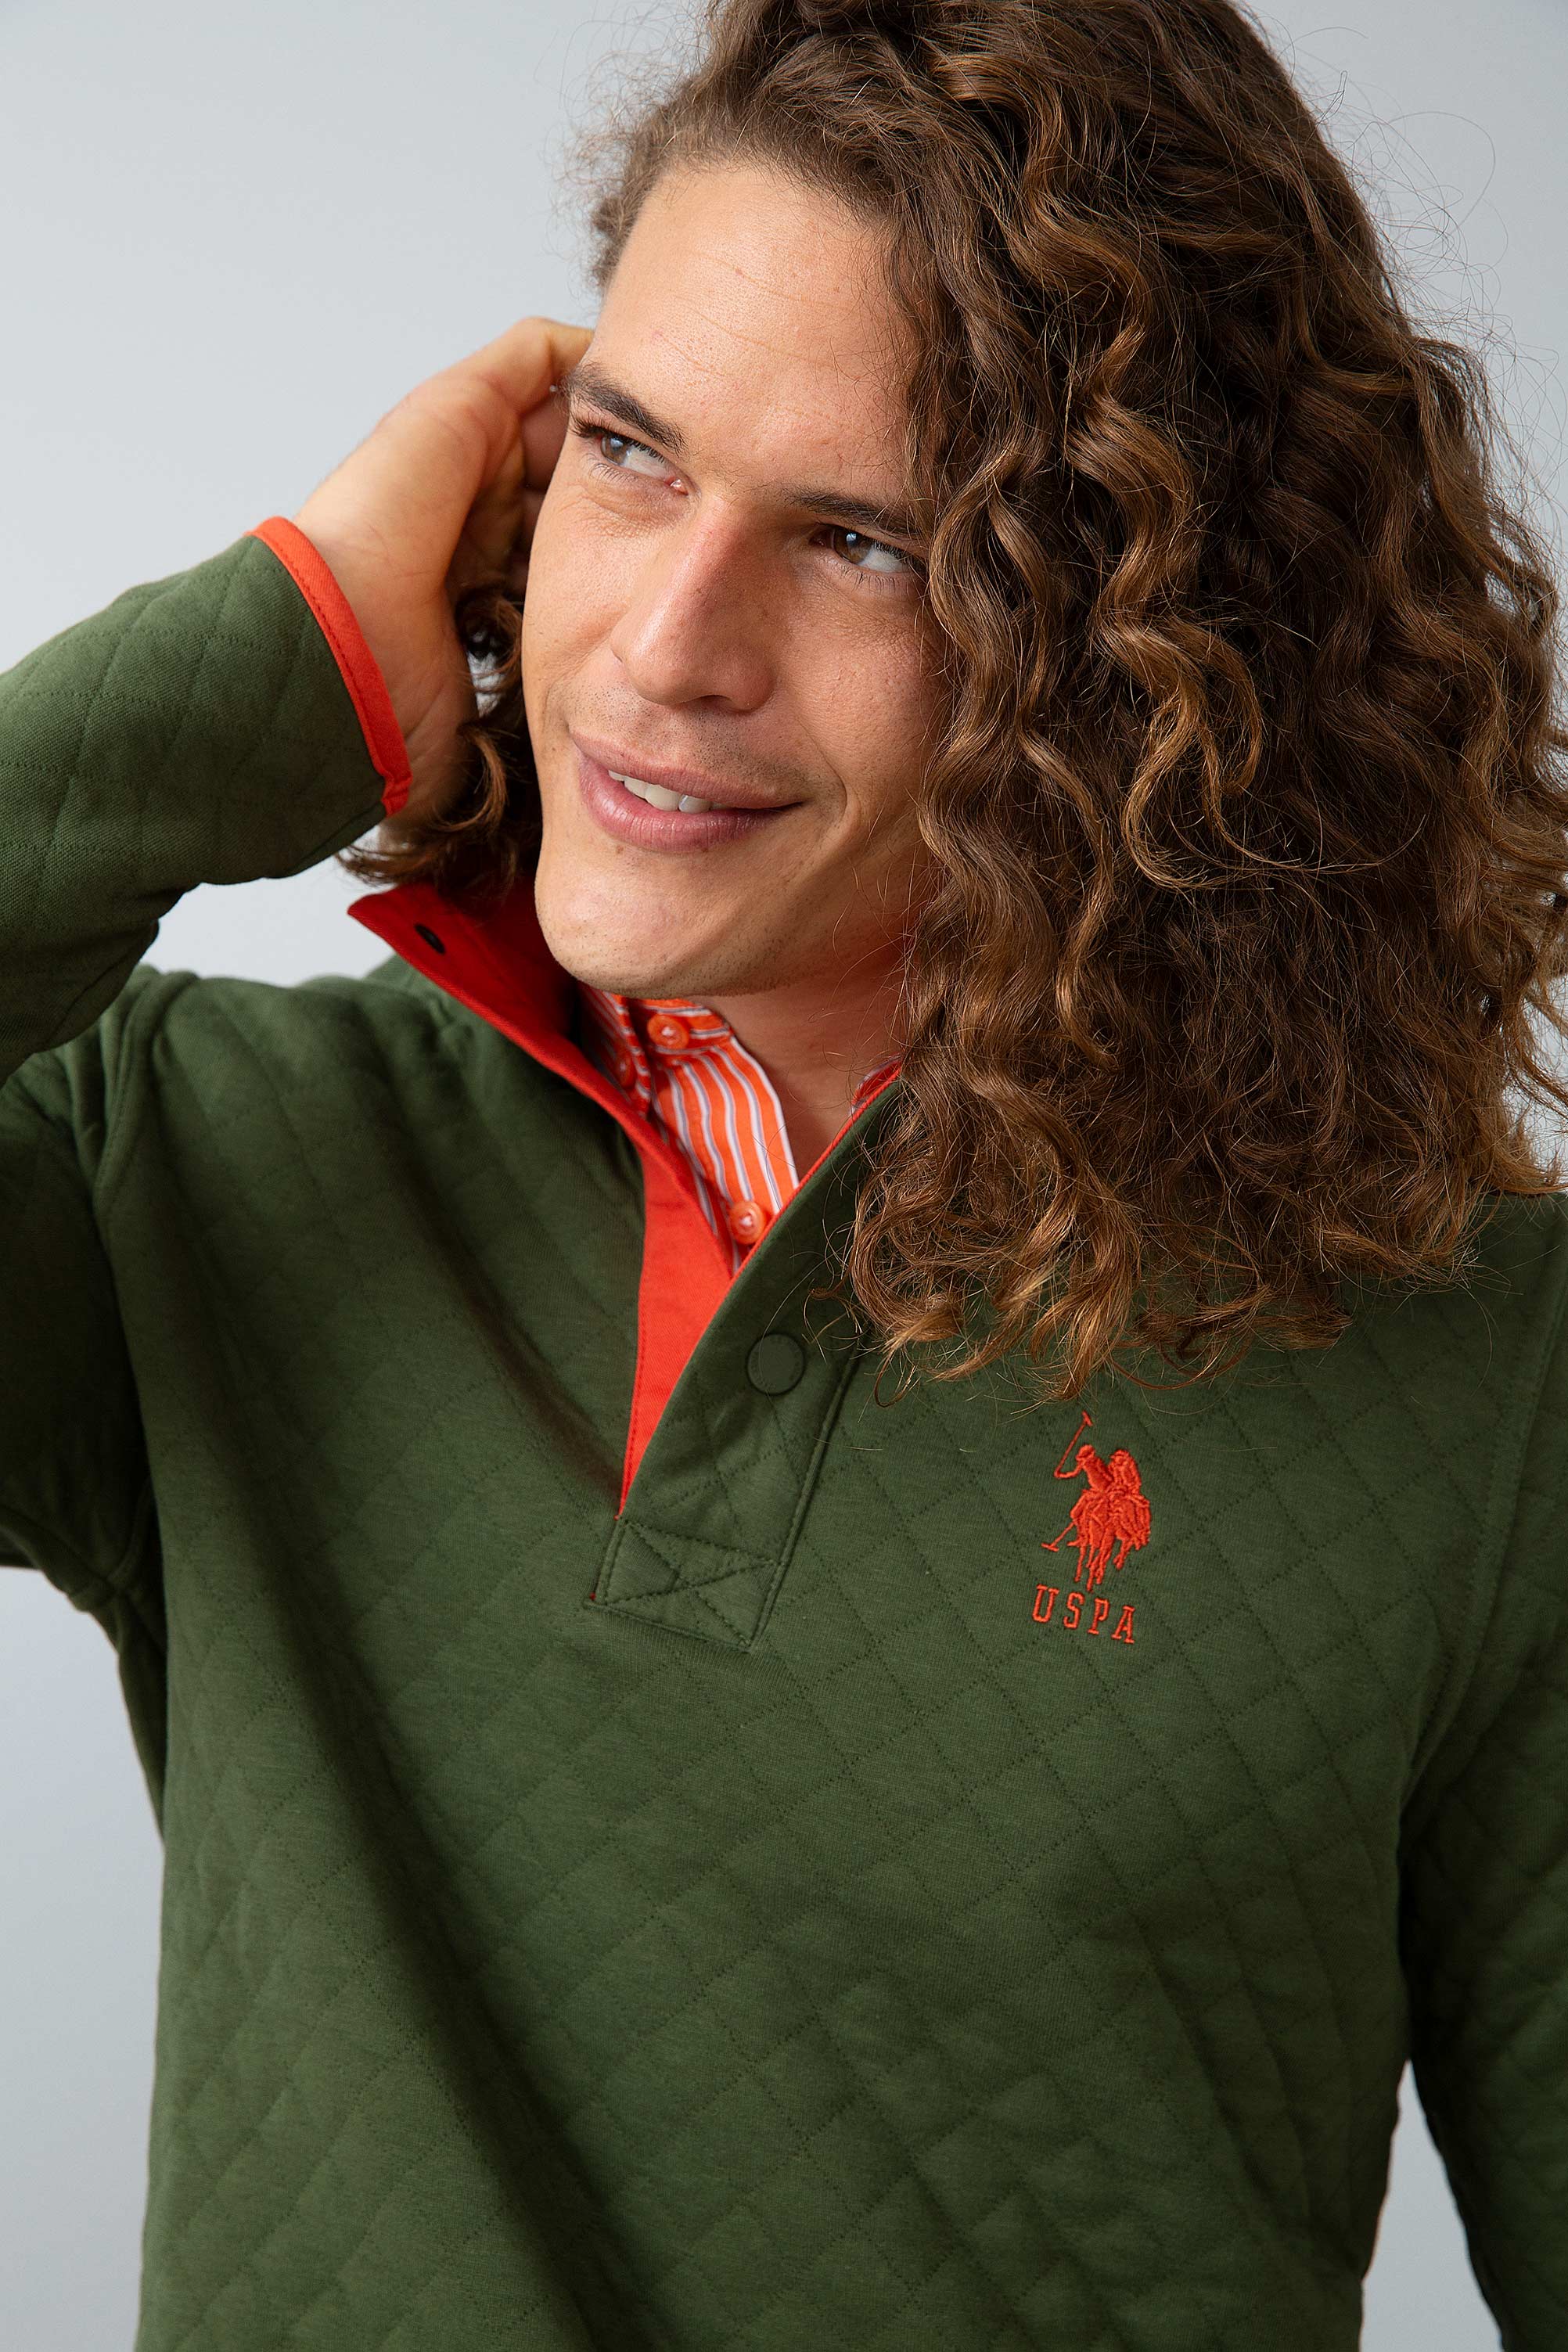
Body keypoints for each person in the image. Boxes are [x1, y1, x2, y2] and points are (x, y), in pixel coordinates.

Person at [4, 0, 1566, 2343]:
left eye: (861, 543)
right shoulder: (207, 1172)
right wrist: (282, 653)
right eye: (630, 456)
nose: (666, 647)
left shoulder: (1492, 1377)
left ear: (1141, 656)